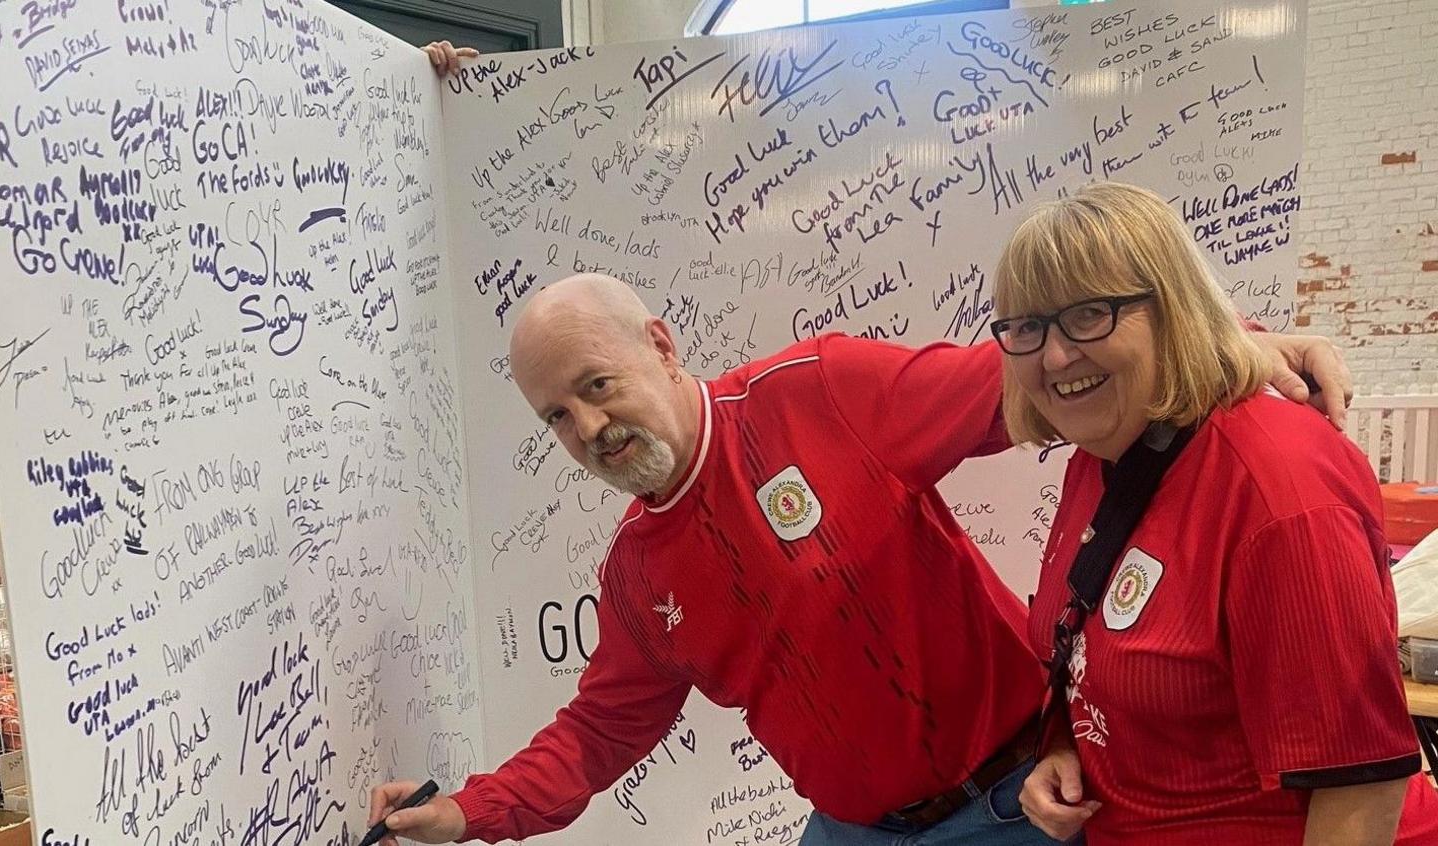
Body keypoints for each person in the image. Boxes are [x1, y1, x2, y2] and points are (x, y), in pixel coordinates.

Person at [368, 269, 1351, 844]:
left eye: (596, 385)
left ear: (662, 347)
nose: (589, 427)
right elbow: (596, 733)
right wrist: (466, 812)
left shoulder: (818, 392)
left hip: (1020, 801)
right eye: (557, 416)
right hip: (856, 832)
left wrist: (1235, 346)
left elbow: (1036, 379)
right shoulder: (637, 575)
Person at [987, 183, 1438, 845]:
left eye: (1090, 314)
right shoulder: (1106, 452)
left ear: (1174, 311)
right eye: (1029, 327)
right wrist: (1068, 752)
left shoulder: (1279, 490)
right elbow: (1104, 651)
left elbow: (1362, 786)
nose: (1055, 356)